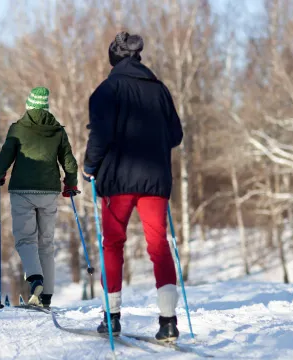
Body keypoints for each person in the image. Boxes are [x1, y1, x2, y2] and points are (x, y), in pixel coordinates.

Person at [83, 32, 184, 341]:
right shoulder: (160, 90)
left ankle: (111, 318)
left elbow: (99, 136)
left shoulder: (106, 90)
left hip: (118, 181)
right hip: (155, 180)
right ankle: (168, 322)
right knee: (159, 246)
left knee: (113, 244)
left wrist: (89, 168)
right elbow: (176, 136)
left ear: (113, 59)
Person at [0, 87, 79, 308]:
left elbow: (5, 156)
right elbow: (69, 161)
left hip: (22, 191)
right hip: (49, 192)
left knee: (26, 239)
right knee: (46, 243)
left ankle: (35, 279)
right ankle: (47, 295)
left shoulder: (18, 129)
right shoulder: (57, 131)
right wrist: (70, 184)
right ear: (46, 107)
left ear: (29, 106)